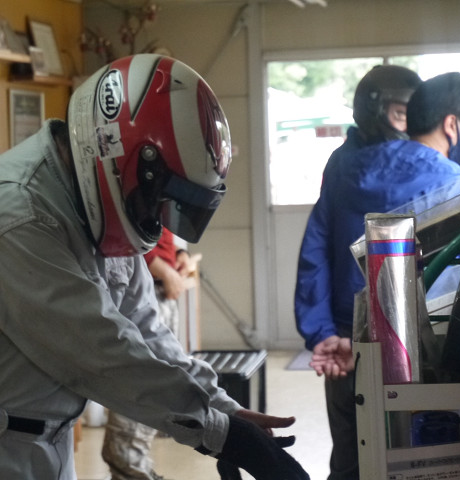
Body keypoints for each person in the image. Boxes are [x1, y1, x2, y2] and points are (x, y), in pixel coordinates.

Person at [0, 53, 310, 480]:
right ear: (120, 155)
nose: (158, 215)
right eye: (158, 196)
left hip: (42, 441)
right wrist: (221, 434)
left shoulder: (94, 203)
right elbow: (102, 352)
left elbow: (146, 331)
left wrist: (224, 409)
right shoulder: (20, 214)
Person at [294, 70, 460, 480]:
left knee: (349, 460)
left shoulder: (342, 166)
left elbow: (315, 249)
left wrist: (320, 332)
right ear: (452, 125)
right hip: (418, 357)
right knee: (416, 464)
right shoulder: (457, 187)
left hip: (343, 343)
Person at [102, 229, 192, 480]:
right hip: (143, 288)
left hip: (158, 288)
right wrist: (163, 269)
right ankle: (129, 465)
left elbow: (158, 230)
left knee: (160, 387)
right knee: (142, 383)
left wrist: (178, 253)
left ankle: (133, 464)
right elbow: (125, 229)